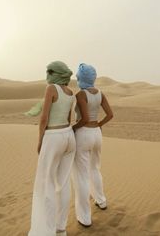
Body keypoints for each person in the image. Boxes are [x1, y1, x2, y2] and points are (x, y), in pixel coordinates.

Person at [28, 61, 76, 236]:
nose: (47, 74)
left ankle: (45, 231)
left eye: (49, 71)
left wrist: (40, 140)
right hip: (69, 136)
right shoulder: (71, 92)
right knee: (63, 183)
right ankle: (60, 228)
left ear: (56, 73)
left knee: (45, 184)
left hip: (53, 137)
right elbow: (69, 117)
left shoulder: (51, 89)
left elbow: (44, 118)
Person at [72, 63, 113, 227]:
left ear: (82, 77)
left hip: (83, 134)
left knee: (81, 175)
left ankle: (84, 217)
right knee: (95, 168)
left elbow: (84, 119)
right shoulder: (101, 94)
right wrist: (100, 124)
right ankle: (101, 201)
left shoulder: (81, 94)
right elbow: (110, 114)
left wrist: (71, 129)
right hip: (97, 134)